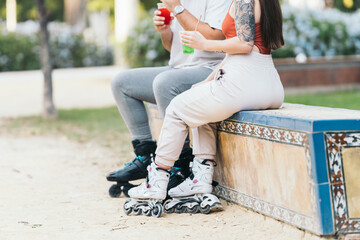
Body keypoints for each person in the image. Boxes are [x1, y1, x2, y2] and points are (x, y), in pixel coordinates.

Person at [124, 0, 285, 217]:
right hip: (268, 83)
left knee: (176, 109)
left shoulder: (245, 0)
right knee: (197, 106)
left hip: (245, 82)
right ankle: (200, 179)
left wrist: (204, 44)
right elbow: (242, 52)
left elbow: (244, 44)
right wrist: (208, 80)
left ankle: (157, 179)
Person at [106, 0, 232, 198]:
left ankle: (178, 167)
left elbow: (218, 36)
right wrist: (165, 32)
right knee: (121, 83)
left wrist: (178, 9)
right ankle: (146, 156)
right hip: (178, 69)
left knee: (165, 83)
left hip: (210, 69)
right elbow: (173, 48)